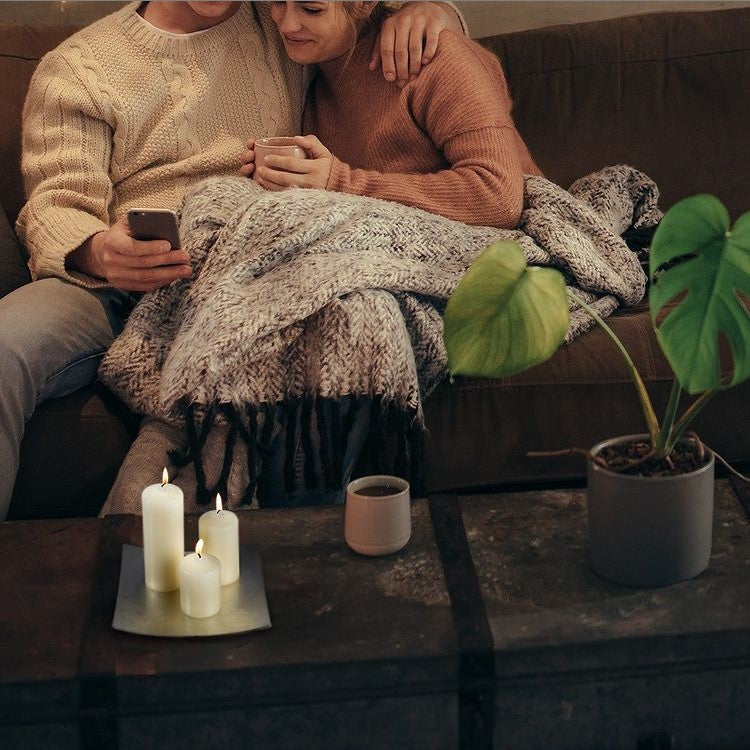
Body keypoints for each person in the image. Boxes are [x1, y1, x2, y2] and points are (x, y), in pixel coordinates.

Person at [0, 0, 465, 520]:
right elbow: (54, 206)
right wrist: (98, 250)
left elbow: (359, 16)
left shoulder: (280, 25)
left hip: (247, 277)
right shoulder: (79, 68)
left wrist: (435, 10)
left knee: (345, 324)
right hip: (112, 285)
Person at [242, 0, 541, 228]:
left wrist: (339, 184)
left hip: (507, 253)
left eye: (311, 9)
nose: (287, 24)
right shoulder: (312, 80)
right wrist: (282, 181)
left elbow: (500, 198)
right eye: (278, 0)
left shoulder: (432, 55)